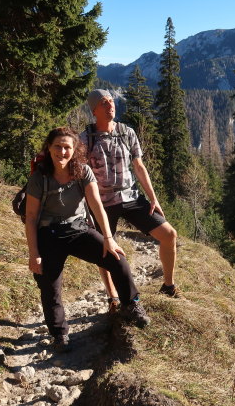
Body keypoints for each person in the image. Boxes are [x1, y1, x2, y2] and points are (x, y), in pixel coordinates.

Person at [25, 127, 150, 353]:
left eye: (67, 148)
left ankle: (131, 305)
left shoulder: (82, 172)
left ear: (74, 150)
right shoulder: (39, 178)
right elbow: (31, 217)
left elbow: (96, 205)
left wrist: (108, 239)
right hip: (48, 234)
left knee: (117, 260)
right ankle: (59, 335)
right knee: (49, 286)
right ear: (49, 148)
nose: (62, 152)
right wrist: (34, 254)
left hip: (78, 229)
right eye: (58, 147)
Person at [80, 89, 181, 312]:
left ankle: (168, 285)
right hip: (102, 203)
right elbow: (79, 175)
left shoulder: (127, 132)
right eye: (104, 103)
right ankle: (113, 298)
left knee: (169, 235)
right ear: (94, 110)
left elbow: (139, 167)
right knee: (105, 251)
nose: (110, 105)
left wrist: (153, 198)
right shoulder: (85, 138)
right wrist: (83, 207)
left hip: (131, 197)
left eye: (111, 101)